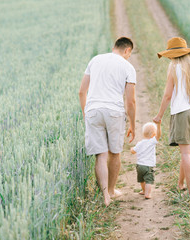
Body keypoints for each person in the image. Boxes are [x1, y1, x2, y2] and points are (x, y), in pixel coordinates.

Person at [79, 37, 136, 206]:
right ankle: (112, 190)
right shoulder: (128, 67)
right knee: (114, 153)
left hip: (93, 110)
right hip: (114, 112)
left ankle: (104, 195)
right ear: (127, 51)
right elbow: (131, 101)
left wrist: (86, 113)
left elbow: (82, 91)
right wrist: (132, 124)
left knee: (101, 155)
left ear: (114, 47)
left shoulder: (95, 60)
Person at [153, 37, 190, 196]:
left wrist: (158, 116)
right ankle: (180, 184)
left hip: (182, 112)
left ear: (172, 54)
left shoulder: (174, 66)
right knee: (188, 153)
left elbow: (167, 96)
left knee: (185, 154)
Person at [130, 121, 161, 199]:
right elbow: (159, 135)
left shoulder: (140, 143)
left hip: (139, 166)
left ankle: (143, 191)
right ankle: (147, 193)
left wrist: (131, 149)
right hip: (148, 166)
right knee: (148, 180)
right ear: (154, 134)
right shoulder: (152, 141)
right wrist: (159, 125)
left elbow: (133, 151)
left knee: (142, 179)